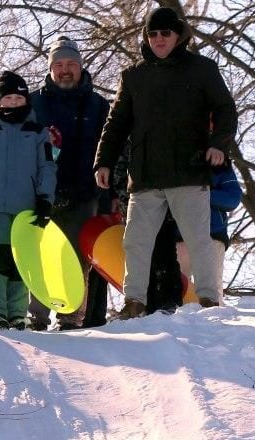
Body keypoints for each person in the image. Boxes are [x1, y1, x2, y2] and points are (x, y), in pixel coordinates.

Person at [93, 7, 239, 319]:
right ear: (146, 37)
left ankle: (210, 303)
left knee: (199, 240)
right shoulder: (133, 76)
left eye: (165, 33)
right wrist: (102, 162)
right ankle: (134, 302)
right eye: (153, 33)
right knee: (135, 241)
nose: (159, 39)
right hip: (146, 175)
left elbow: (225, 108)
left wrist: (218, 145)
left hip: (189, 170)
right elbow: (116, 124)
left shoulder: (202, 69)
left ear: (178, 35)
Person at [26, 37, 114, 331]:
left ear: (80, 66)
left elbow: (113, 152)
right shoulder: (34, 104)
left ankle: (71, 317)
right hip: (41, 194)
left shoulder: (100, 106)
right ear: (51, 69)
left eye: (70, 64)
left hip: (84, 193)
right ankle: (35, 317)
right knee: (40, 254)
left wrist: (109, 195)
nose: (65, 70)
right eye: (59, 65)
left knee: (77, 258)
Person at [0, 71, 57, 330]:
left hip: (27, 208)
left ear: (26, 101)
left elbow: (47, 168)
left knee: (21, 262)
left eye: (19, 98)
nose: (14, 102)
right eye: (9, 98)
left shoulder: (39, 133)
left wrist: (45, 200)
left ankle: (17, 313)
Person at [147, 158, 241, 312]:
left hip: (212, 234)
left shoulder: (220, 166)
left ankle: (214, 326)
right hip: (179, 235)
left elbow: (233, 198)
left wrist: (200, 194)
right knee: (179, 285)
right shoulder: (174, 162)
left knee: (213, 288)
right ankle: (179, 328)